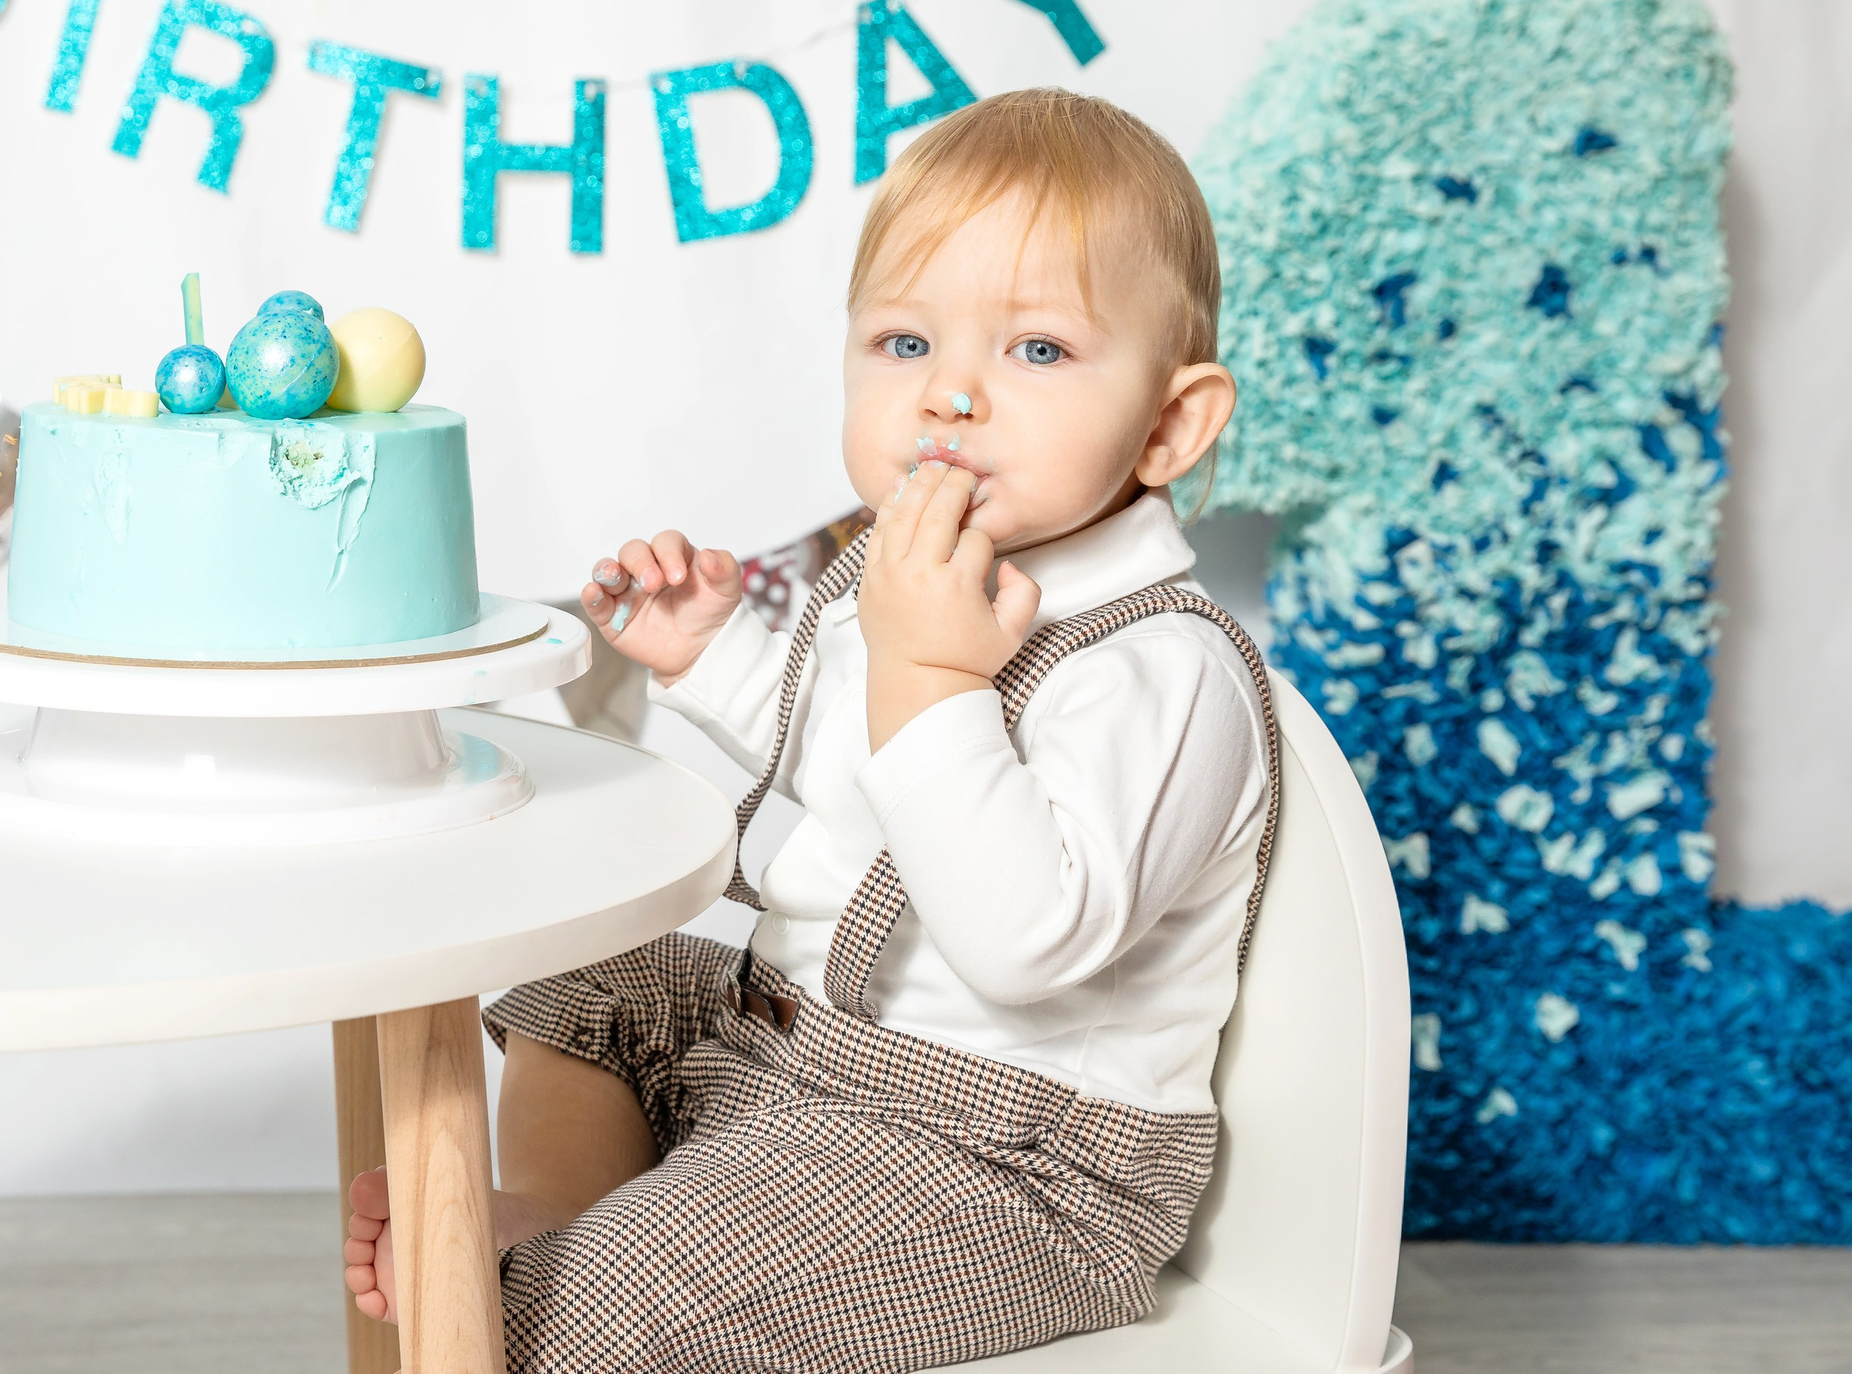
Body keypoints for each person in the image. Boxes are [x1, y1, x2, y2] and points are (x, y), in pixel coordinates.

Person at [347, 87, 1279, 1372]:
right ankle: (562, 1212)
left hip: (1010, 1161)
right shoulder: (917, 572)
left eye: (1037, 349)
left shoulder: (1160, 670)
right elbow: (851, 764)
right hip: (798, 1038)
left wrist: (932, 668)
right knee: (593, 976)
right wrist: (715, 654)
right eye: (904, 341)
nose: (950, 394)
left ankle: (574, 1284)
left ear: (1169, 424)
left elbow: (1022, 939)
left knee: (592, 1312)